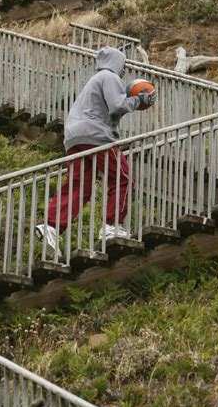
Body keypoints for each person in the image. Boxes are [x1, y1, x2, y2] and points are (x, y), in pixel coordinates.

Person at [35, 47, 156, 258]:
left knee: (79, 185)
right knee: (122, 177)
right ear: (117, 63)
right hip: (95, 136)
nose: (123, 71)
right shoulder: (109, 77)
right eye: (123, 66)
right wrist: (140, 100)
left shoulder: (94, 80)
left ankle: (52, 226)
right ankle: (112, 225)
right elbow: (117, 105)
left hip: (74, 137)